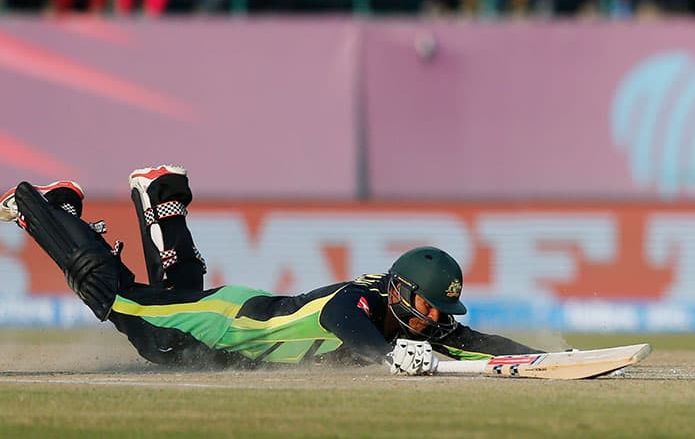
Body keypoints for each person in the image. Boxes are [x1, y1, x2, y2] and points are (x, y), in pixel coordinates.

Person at [0, 166, 541, 374]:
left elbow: (471, 339)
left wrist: (548, 359)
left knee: (169, 312)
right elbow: (346, 326)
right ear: (400, 290)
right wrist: (389, 355)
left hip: (234, 318)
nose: (432, 320)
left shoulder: (413, 319)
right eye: (427, 306)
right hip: (224, 325)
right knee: (118, 300)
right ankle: (40, 207)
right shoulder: (360, 301)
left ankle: (159, 198)